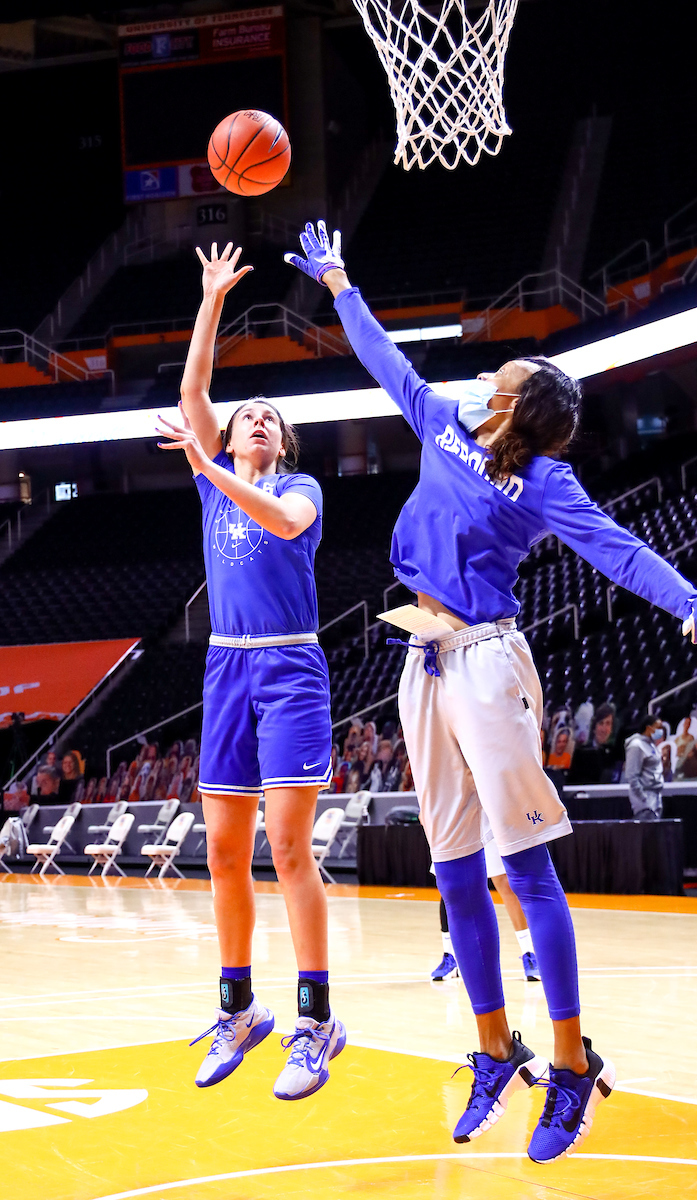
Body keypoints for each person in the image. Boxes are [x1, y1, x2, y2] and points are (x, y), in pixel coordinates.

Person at [285, 221, 697, 1163]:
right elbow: (384, 361)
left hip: (489, 661)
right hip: (421, 659)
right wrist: (339, 284)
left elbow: (617, 549)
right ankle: (497, 1051)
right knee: (454, 870)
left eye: (511, 371)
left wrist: (690, 599)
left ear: (521, 405)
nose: (495, 371)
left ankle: (571, 1065)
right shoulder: (444, 421)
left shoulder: (545, 478)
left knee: (523, 868)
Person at [157, 240, 343, 1101]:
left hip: (290, 667)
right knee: (225, 853)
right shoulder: (212, 475)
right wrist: (211, 300)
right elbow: (194, 391)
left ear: (282, 442)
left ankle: (316, 1019)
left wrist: (206, 465)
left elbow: (276, 522)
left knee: (290, 848)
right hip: (226, 670)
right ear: (228, 436)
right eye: (248, 416)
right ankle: (239, 1009)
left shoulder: (300, 491)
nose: (259, 420)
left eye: (271, 416)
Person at [433, 827, 540, 983]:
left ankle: (529, 953)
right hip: (455, 822)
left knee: (505, 882)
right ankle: (449, 957)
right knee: (450, 886)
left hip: (489, 820)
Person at [624, 716, 665, 820]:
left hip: (656, 795)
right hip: (645, 796)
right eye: (658, 727)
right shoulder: (636, 745)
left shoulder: (652, 746)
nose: (661, 731)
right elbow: (631, 775)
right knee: (646, 827)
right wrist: (642, 797)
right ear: (649, 728)